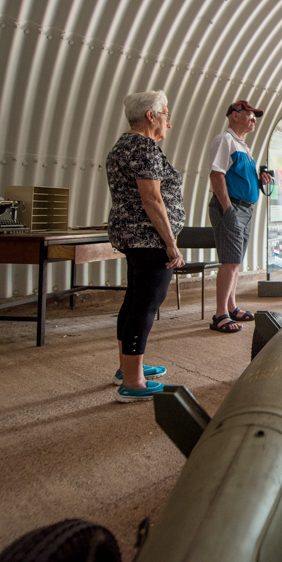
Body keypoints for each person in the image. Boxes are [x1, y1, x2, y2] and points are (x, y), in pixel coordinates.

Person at [106, 90, 185, 402]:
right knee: (146, 304)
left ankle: (126, 368)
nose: (169, 122)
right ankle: (134, 383)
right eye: (165, 114)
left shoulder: (122, 145)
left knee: (134, 299)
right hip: (148, 237)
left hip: (131, 234)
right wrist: (171, 244)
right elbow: (152, 198)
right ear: (151, 116)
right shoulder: (144, 145)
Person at [207, 99, 274, 332]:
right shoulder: (225, 140)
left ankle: (232, 307)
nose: (253, 119)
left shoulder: (244, 146)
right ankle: (220, 314)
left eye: (255, 116)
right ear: (235, 115)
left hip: (244, 208)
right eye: (249, 114)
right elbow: (216, 175)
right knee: (230, 261)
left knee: (235, 261)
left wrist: (260, 181)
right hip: (231, 207)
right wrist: (227, 209)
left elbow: (241, 178)